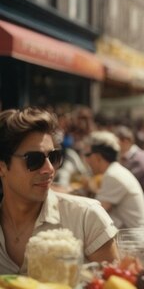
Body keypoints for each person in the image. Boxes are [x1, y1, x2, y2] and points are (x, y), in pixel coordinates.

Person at [0, 107, 118, 274]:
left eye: (53, 157)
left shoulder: (86, 217)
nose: (49, 169)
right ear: (2, 167)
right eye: (34, 160)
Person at [84, 131, 144, 229]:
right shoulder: (115, 171)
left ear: (98, 156)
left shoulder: (113, 176)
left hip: (130, 241)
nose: (86, 160)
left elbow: (94, 214)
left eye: (88, 155)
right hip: (129, 237)